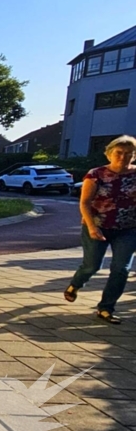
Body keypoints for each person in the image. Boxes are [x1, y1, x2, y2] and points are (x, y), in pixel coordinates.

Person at [64, 135, 136, 324]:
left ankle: (106, 308)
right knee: (92, 265)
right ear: (110, 154)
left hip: (128, 229)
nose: (123, 157)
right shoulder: (96, 174)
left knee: (121, 269)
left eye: (128, 153)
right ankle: (76, 284)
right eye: (119, 153)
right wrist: (91, 227)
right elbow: (85, 203)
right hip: (98, 226)